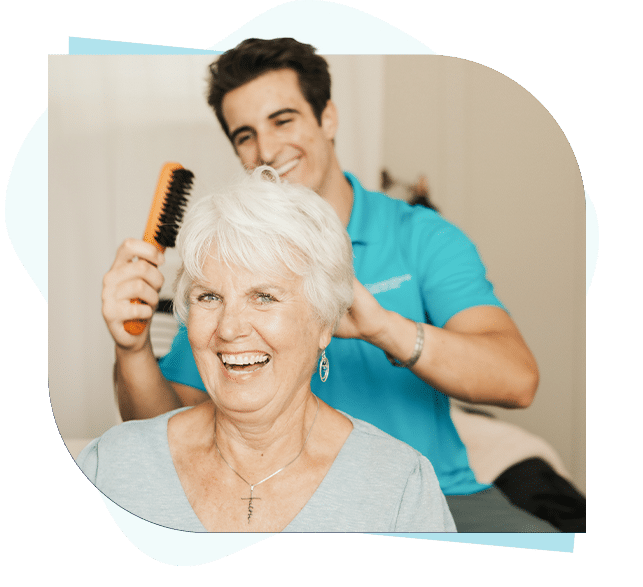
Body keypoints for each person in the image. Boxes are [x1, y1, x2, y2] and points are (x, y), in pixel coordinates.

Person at [101, 38, 556, 531]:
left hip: (440, 494)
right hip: (290, 500)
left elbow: (517, 380)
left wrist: (383, 327)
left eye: (284, 119)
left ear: (329, 118)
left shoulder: (419, 238)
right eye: (245, 135)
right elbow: (164, 432)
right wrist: (132, 349)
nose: (268, 150)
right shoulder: (236, 266)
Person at [84, 168, 456, 533]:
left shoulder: (399, 488)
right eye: (209, 296)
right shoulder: (112, 464)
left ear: (324, 323)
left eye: (264, 297)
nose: (229, 328)